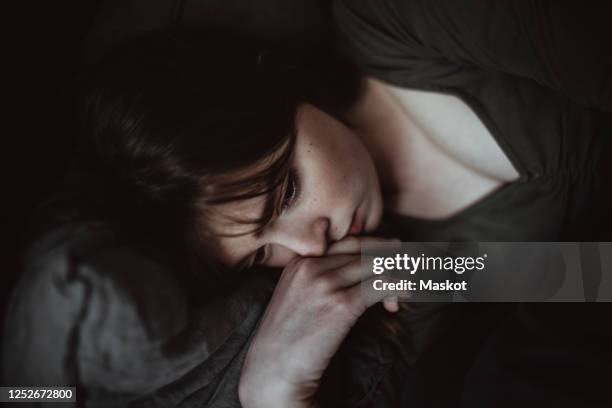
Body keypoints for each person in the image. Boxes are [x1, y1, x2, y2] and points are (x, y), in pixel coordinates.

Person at [3, 1, 612, 407]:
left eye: (287, 190)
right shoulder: (396, 287)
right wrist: (275, 392)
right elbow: (592, 279)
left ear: (279, 87)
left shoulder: (396, 22)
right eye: (260, 256)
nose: (311, 246)